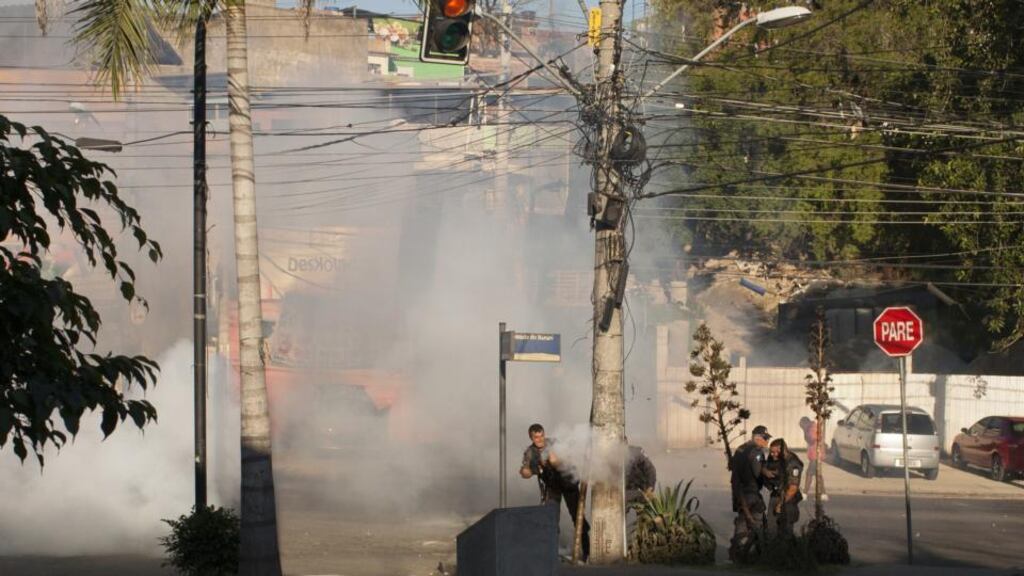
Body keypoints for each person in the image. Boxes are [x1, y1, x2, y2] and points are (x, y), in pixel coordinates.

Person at [520, 423, 590, 561]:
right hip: (552, 487)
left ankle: (587, 552)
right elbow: (525, 470)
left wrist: (555, 462)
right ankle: (552, 555)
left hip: (568, 483)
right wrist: (527, 471)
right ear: (531, 437)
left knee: (578, 518)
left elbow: (566, 460)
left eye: (541, 436)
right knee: (551, 519)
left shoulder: (554, 444)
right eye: (536, 437)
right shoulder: (530, 452)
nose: (539, 440)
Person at [728, 425, 771, 560]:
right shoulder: (757, 452)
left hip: (738, 491)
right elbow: (758, 473)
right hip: (751, 491)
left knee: (742, 519)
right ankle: (753, 552)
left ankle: (737, 550)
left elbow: (732, 466)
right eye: (765, 439)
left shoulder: (740, 448)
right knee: (756, 520)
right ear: (758, 438)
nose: (767, 442)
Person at [767, 438, 804, 537]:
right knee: (771, 529)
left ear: (783, 450)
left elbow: (793, 488)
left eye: (776, 452)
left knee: (785, 532)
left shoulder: (793, 463)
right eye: (771, 452)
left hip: (787, 500)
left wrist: (780, 504)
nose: (773, 454)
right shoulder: (778, 459)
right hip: (776, 495)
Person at [800, 416, 828, 501]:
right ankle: (823, 494)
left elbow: (811, 440)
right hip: (815, 455)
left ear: (806, 423)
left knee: (809, 474)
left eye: (802, 425)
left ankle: (805, 494)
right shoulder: (812, 427)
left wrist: (804, 431)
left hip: (816, 455)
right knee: (818, 475)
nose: (801, 427)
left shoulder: (813, 428)